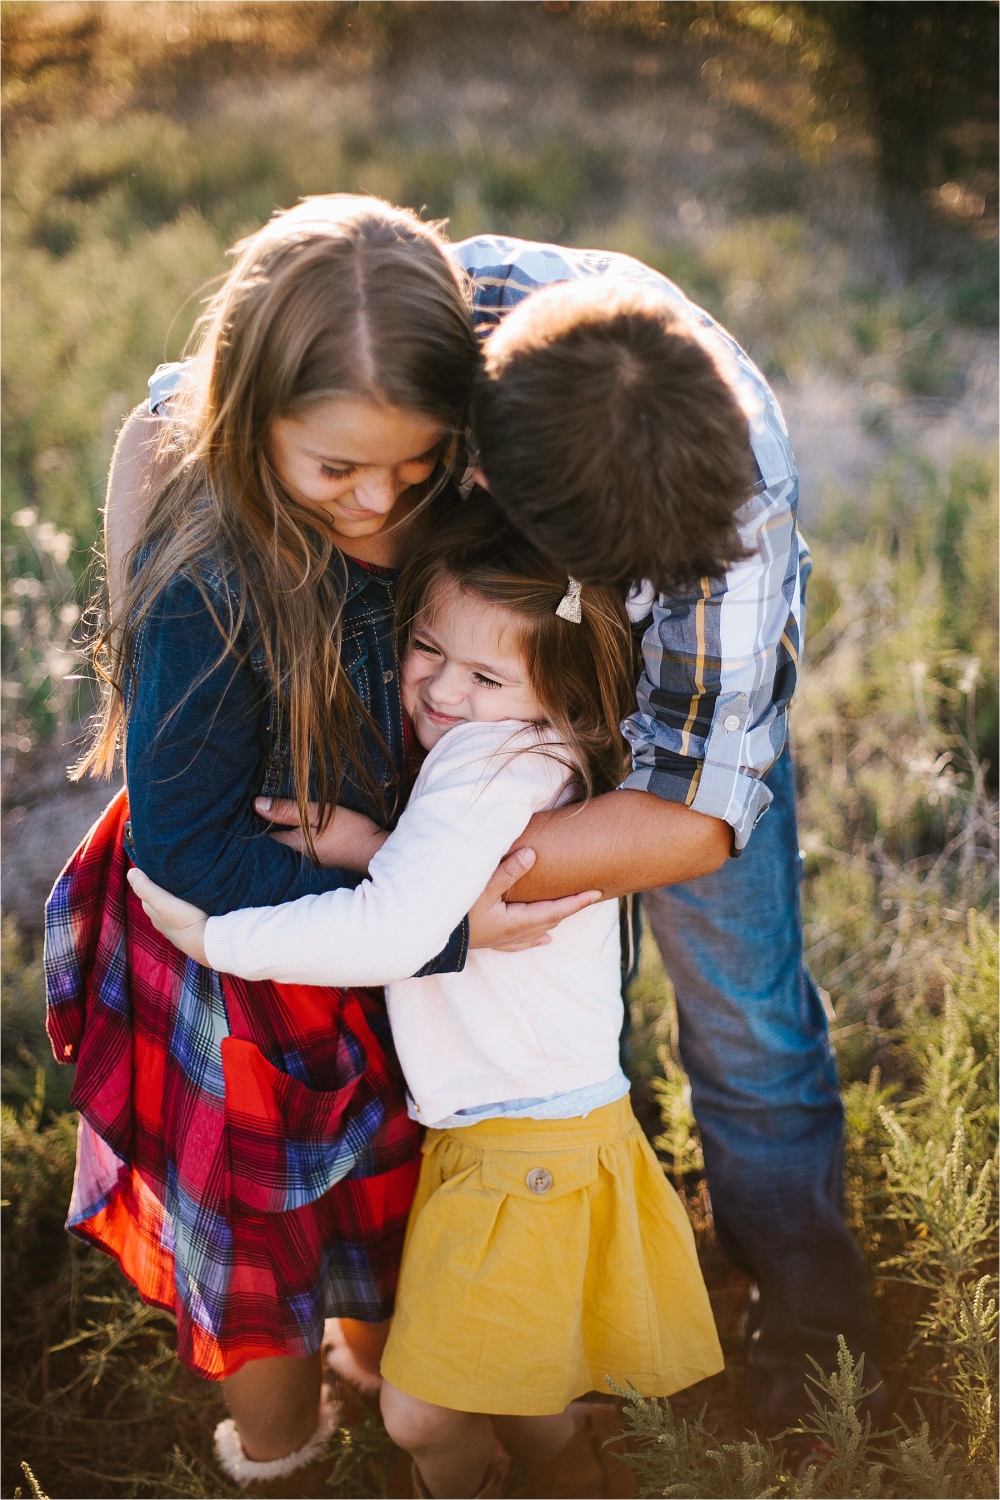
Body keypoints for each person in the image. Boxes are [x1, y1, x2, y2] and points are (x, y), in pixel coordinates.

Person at [104, 213, 881, 1438]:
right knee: (504, 1014)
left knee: (746, 1013)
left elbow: (698, 818)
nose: (380, 504)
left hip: (673, 735)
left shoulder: (733, 511)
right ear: (477, 446)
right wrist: (145, 656)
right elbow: (166, 416)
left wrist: (435, 895)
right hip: (462, 692)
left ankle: (808, 1320)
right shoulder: (419, 323)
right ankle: (550, 1256)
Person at [46, 197, 604, 1497]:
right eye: (338, 470)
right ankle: (285, 1455)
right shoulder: (213, 580)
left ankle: (385, 1368)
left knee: (384, 1185)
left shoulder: (433, 500)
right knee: (262, 1244)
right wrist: (424, 910)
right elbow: (189, 861)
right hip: (239, 960)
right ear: (252, 424)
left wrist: (407, 885)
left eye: (412, 465)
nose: (378, 499)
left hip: (370, 922)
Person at [129, 499, 726, 1500]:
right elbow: (438, 879)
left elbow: (399, 932)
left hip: (520, 1153)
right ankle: (572, 1477)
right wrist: (367, 848)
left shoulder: (479, 763)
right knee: (524, 1388)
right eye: (426, 649)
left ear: (563, 700)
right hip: (536, 1133)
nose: (442, 690)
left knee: (420, 1412)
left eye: (484, 675)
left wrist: (219, 936)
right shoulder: (525, 749)